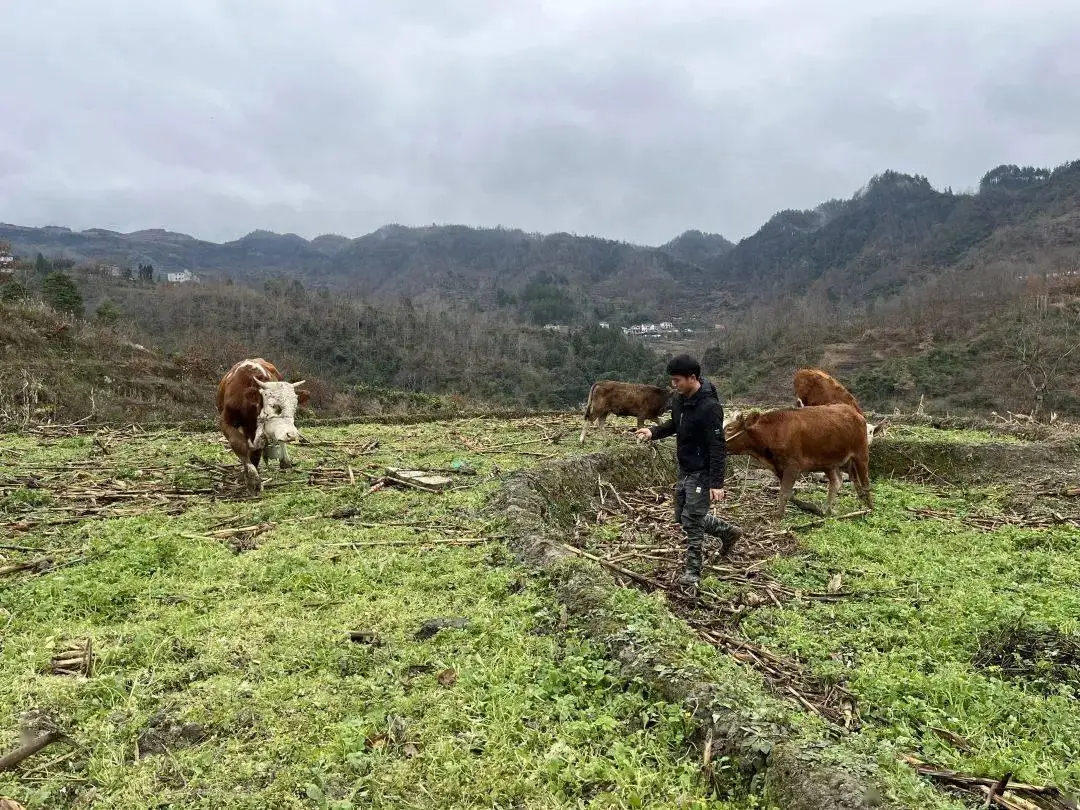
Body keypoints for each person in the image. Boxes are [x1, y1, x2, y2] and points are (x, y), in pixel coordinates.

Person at [635, 354, 742, 589]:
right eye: (672, 381)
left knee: (692, 520)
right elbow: (675, 423)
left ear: (692, 378)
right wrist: (653, 432)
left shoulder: (709, 407)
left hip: (702, 471)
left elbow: (717, 446)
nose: (673, 385)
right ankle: (728, 531)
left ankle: (693, 572)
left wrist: (717, 483)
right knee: (682, 515)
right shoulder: (680, 399)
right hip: (685, 467)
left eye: (677, 380)